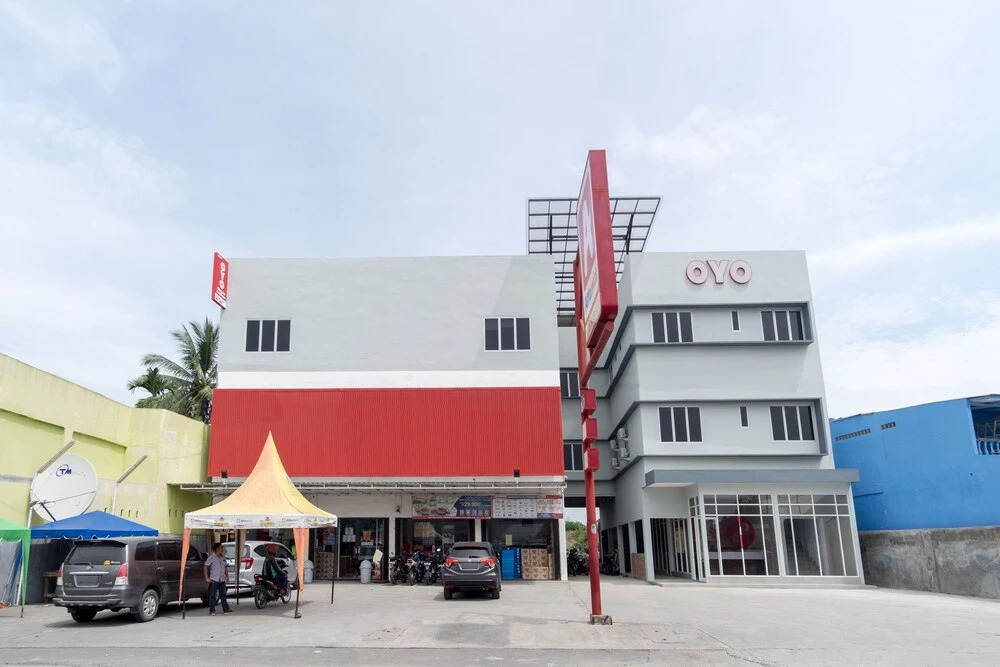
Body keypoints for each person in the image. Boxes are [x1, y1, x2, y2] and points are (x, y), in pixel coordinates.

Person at [204, 542, 232, 616]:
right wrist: (207, 578)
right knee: (212, 596)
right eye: (221, 547)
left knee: (223, 595)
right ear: (217, 549)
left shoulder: (223, 558)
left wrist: (227, 577)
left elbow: (225, 567)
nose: (222, 549)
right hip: (214, 579)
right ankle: (212, 610)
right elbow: (205, 567)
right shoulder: (211, 557)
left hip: (222, 579)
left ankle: (225, 609)